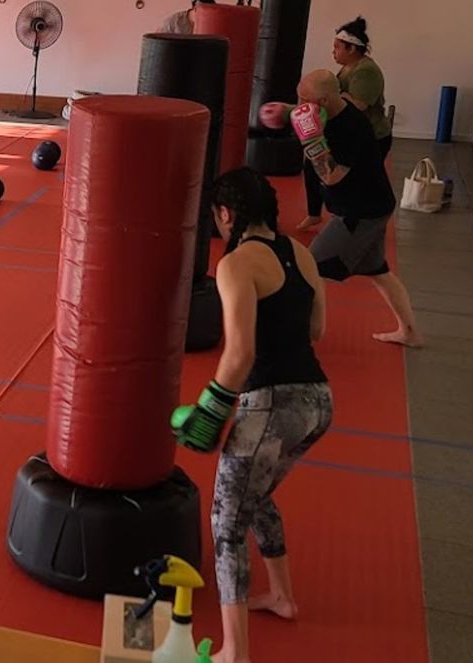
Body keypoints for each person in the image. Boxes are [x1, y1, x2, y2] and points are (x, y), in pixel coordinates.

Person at [172, 168, 333, 663]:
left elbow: (240, 354)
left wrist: (209, 408)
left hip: (271, 406)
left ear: (226, 214)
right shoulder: (300, 253)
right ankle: (281, 597)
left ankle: (235, 653)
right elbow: (317, 329)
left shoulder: (237, 264)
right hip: (318, 402)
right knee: (255, 495)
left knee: (226, 519)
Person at [295, 69, 420, 346]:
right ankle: (409, 332)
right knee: (378, 272)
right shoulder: (327, 113)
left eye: (305, 100)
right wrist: (283, 112)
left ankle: (305, 334)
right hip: (372, 204)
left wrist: (312, 142)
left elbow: (331, 176)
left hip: (361, 212)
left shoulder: (352, 127)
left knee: (308, 267)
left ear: (324, 101)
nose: (300, 106)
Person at [299, 17, 391, 230]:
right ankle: (314, 213)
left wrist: (332, 95)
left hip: (372, 135)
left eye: (337, 47)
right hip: (343, 131)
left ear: (352, 49)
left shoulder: (366, 71)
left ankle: (357, 221)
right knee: (311, 165)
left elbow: (359, 104)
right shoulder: (346, 68)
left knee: (353, 180)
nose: (333, 52)